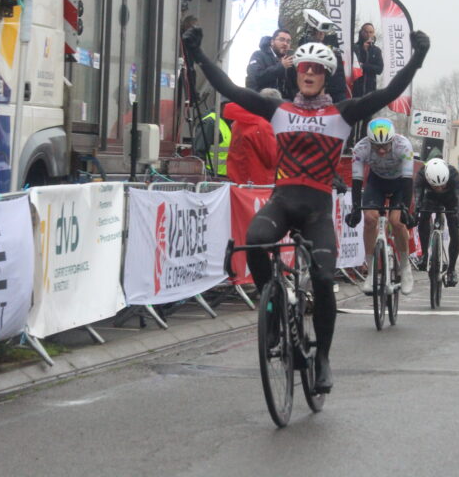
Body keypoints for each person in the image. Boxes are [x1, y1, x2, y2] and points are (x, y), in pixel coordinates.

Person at [182, 24, 430, 394]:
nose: (310, 73)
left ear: (326, 76)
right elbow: (230, 89)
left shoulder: (342, 113)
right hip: (282, 202)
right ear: (295, 73)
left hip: (316, 211)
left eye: (317, 69)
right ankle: (273, 313)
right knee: (254, 239)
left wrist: (418, 57)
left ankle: (324, 359)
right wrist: (199, 54)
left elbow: (389, 92)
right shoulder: (276, 108)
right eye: (304, 68)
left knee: (325, 282)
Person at [345, 118, 415, 295]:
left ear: (393, 140)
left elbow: (408, 182)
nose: (382, 150)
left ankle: (405, 268)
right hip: (376, 183)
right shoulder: (361, 148)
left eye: (386, 145)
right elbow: (357, 181)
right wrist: (355, 209)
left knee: (397, 222)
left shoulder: (403, 146)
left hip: (400, 184)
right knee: (369, 219)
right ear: (369, 142)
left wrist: (405, 209)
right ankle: (370, 272)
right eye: (377, 146)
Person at [413, 158, 459, 286]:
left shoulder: (453, 175)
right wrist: (416, 211)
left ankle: (451, 269)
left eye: (442, 185)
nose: (440, 188)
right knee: (423, 218)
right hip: (430, 197)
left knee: (455, 231)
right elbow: (417, 195)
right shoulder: (422, 174)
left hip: (450, 199)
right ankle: (424, 255)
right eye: (436, 186)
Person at [223, 88, 281, 185]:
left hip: (236, 180)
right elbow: (272, 159)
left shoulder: (237, 122)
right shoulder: (262, 125)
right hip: (258, 184)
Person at [245, 29, 294, 100]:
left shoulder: (289, 61)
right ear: (272, 42)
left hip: (284, 104)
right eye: (281, 40)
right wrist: (281, 67)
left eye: (288, 41)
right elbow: (256, 77)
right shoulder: (258, 55)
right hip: (259, 101)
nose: (285, 44)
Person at [351, 23, 383, 98]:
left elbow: (379, 69)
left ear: (373, 33)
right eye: (366, 32)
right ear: (361, 32)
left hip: (370, 90)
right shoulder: (354, 48)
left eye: (371, 32)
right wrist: (363, 50)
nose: (368, 34)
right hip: (355, 89)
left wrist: (364, 66)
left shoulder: (376, 50)